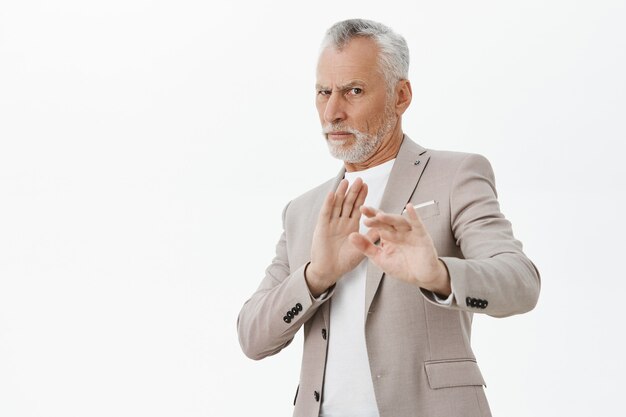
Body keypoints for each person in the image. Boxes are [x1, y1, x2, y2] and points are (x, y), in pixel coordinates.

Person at [237, 18, 540, 417]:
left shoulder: (456, 176)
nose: (332, 112)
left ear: (401, 96)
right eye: (323, 92)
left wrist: (439, 275)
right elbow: (252, 337)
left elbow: (521, 282)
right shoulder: (303, 210)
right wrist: (315, 277)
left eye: (353, 91)